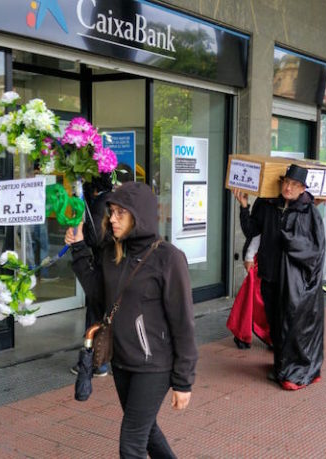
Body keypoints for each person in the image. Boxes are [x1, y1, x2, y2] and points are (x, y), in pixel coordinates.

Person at [66, 181, 197, 458]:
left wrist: (183, 381)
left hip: (154, 365)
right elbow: (100, 297)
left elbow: (184, 324)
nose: (112, 219)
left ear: (139, 215)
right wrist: (78, 250)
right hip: (122, 360)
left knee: (131, 444)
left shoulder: (169, 259)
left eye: (119, 213)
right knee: (146, 431)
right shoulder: (114, 253)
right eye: (111, 212)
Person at [233, 164, 325, 391]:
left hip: (294, 281)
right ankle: (280, 365)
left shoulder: (307, 210)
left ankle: (291, 369)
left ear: (303, 188)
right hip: (269, 274)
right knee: (275, 323)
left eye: (294, 184)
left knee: (291, 323)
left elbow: (316, 247)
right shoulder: (267, 204)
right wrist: (244, 207)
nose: (289, 187)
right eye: (286, 182)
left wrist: (291, 242)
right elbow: (252, 230)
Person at [69, 172, 114, 378]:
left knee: (95, 314)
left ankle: (96, 361)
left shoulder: (99, 204)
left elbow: (95, 237)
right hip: (111, 266)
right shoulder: (112, 200)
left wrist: (80, 233)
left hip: (102, 266)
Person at [226, 235, 272, 349]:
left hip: (269, 259)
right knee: (254, 296)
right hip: (261, 260)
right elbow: (258, 231)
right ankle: (243, 333)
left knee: (254, 297)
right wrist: (249, 256)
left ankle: (269, 334)